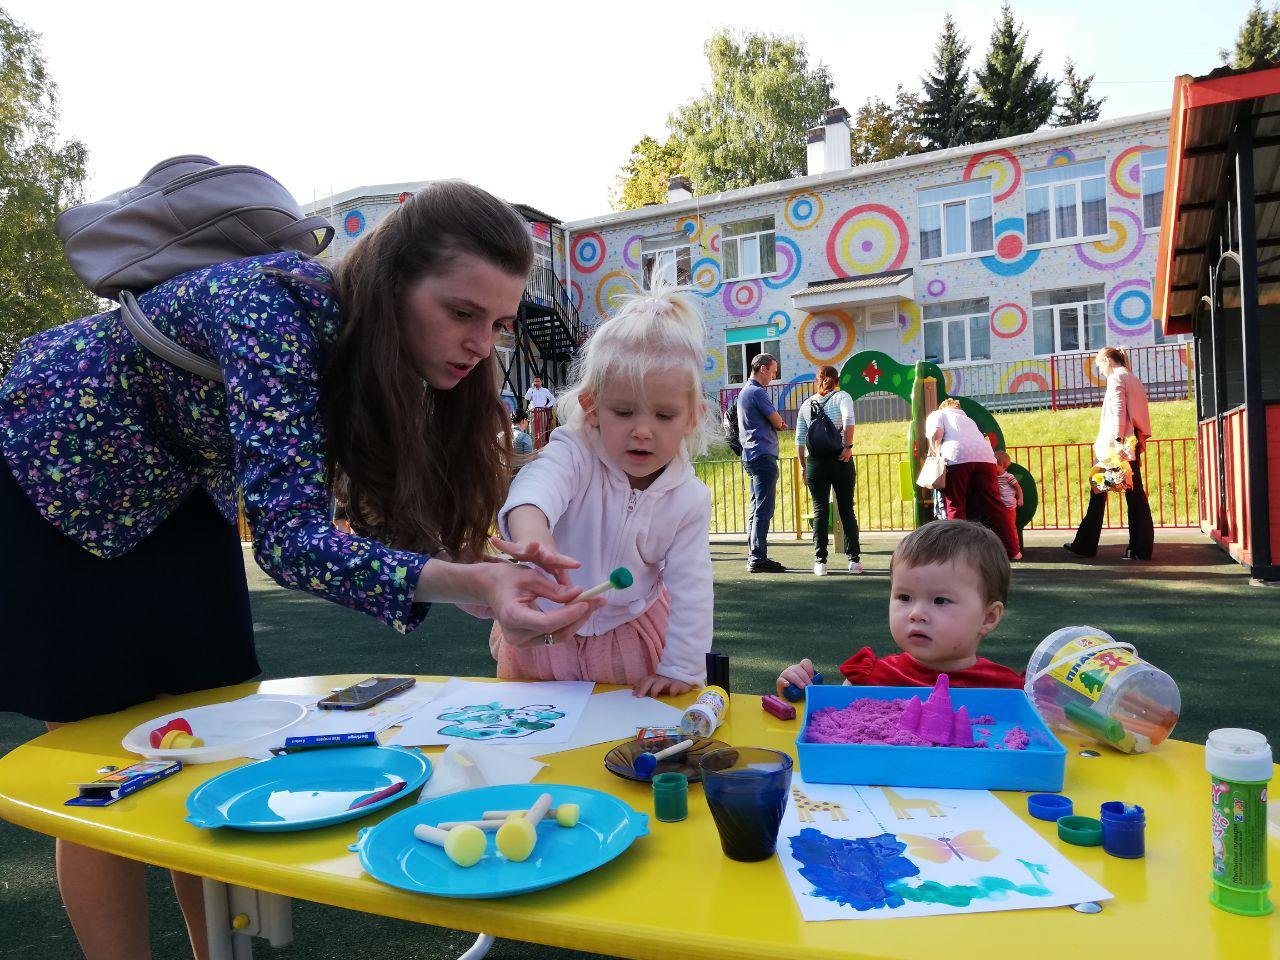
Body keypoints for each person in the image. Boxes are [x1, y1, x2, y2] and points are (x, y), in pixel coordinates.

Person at [0, 180, 602, 960]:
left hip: (180, 487)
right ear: (392, 284)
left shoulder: (371, 353)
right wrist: (467, 583)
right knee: (103, 763)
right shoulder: (270, 310)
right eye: (461, 313)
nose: (481, 343)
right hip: (58, 479)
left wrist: (481, 570)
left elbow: (382, 525)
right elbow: (289, 541)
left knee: (209, 738)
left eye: (497, 323)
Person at [492, 286, 715, 696]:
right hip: (546, 633)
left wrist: (682, 667)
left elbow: (692, 588)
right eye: (623, 412)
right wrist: (535, 540)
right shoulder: (575, 450)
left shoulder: (689, 499)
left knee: (620, 732)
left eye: (664, 415)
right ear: (592, 406)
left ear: (691, 418)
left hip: (626, 636)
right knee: (534, 729)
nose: (643, 430)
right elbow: (535, 488)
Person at [777, 520, 1024, 693]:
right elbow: (831, 723)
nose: (916, 613)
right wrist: (795, 689)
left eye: (940, 600)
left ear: (988, 617)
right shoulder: (870, 680)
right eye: (904, 597)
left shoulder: (1009, 690)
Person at [1064, 346, 1154, 561]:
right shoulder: (1133, 378)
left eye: (1099, 365)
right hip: (1130, 446)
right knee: (1134, 495)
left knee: (1098, 493)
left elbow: (1118, 413)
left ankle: (1086, 544)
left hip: (1115, 449)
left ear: (1107, 360)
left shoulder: (1116, 379)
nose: (1100, 371)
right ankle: (1140, 548)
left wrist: (1116, 443)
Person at [925, 398, 1021, 561]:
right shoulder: (968, 420)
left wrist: (933, 453)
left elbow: (935, 434)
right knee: (994, 504)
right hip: (986, 459)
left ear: (943, 407)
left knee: (955, 503)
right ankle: (1013, 550)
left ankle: (959, 552)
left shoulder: (938, 414)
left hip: (957, 457)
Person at [795, 364, 861, 576]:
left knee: (820, 511)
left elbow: (799, 439)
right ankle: (854, 561)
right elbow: (849, 420)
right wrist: (848, 447)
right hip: (840, 458)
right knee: (846, 509)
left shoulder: (807, 404)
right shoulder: (842, 397)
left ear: (818, 380)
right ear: (836, 380)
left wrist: (804, 467)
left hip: (815, 463)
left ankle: (820, 562)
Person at [738, 353, 787, 573]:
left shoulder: (744, 392)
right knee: (763, 509)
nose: (773, 376)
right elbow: (777, 421)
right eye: (773, 372)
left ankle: (753, 554)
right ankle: (758, 557)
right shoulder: (757, 392)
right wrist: (781, 423)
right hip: (763, 454)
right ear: (763, 369)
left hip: (750, 455)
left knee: (755, 507)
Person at [994, 450, 1024, 544]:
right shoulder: (993, 477)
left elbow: (1018, 488)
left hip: (1009, 506)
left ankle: (1015, 545)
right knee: (999, 526)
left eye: (995, 464)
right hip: (999, 506)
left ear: (1003, 465)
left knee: (1011, 526)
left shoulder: (1008, 477)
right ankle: (1003, 545)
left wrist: (1020, 498)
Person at [524, 374, 556, 446]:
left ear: (541, 382)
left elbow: (553, 399)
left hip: (542, 412)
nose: (536, 382)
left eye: (538, 381)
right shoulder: (531, 390)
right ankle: (534, 446)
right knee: (532, 430)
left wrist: (546, 406)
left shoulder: (545, 390)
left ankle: (541, 446)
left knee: (542, 430)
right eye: (535, 381)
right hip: (533, 412)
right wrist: (531, 388)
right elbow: (526, 397)